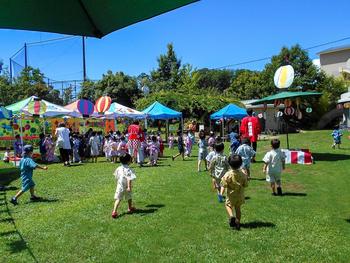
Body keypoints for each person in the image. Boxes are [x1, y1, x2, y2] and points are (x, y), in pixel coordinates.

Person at [221, 155, 248, 230]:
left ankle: (232, 216)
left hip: (231, 195)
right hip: (240, 195)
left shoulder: (227, 174)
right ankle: (238, 222)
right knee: (238, 209)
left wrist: (221, 193)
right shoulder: (243, 174)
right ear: (241, 163)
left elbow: (224, 184)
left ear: (229, 164)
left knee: (228, 205)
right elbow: (246, 185)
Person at [111, 153, 136, 218]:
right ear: (128, 161)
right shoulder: (129, 169)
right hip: (126, 186)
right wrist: (129, 186)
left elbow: (116, 176)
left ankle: (114, 211)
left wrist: (118, 183)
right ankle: (129, 208)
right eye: (130, 160)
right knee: (129, 197)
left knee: (118, 199)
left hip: (119, 186)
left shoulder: (118, 168)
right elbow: (129, 179)